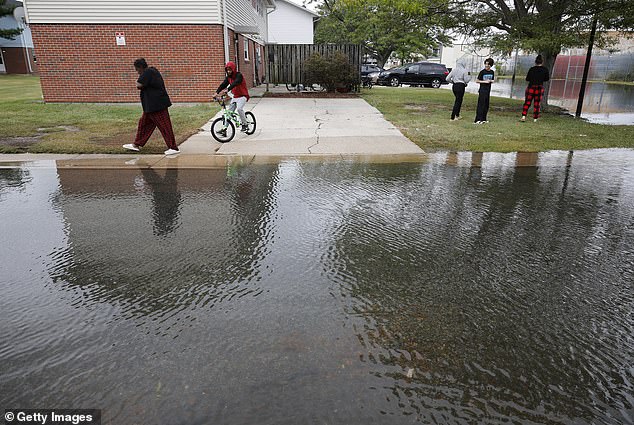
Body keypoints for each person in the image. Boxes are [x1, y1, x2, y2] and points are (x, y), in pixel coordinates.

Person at [123, 58, 180, 155]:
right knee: (143, 125)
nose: (137, 72)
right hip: (151, 107)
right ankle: (136, 145)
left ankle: (173, 148)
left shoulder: (148, 72)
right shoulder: (152, 72)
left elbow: (139, 84)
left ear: (140, 67)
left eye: (137, 70)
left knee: (165, 126)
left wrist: (138, 81)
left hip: (157, 106)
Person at [215, 61, 250, 133]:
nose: (229, 71)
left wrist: (228, 89)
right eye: (227, 70)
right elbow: (223, 85)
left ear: (233, 69)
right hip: (235, 96)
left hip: (243, 96)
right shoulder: (228, 78)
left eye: (230, 69)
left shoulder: (239, 75)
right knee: (229, 113)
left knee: (239, 109)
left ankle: (245, 125)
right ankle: (224, 129)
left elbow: (235, 83)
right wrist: (216, 92)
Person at [521, 55, 550, 122]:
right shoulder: (545, 69)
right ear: (542, 62)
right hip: (539, 88)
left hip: (531, 87)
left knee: (527, 102)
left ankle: (523, 116)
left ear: (535, 62)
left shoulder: (531, 69)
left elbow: (527, 79)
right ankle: (535, 118)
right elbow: (547, 79)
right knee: (537, 103)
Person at [474, 58, 495, 124]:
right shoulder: (482, 72)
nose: (486, 66)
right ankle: (477, 119)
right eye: (485, 64)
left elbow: (493, 80)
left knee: (486, 105)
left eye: (488, 65)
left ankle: (484, 119)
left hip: (488, 90)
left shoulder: (492, 72)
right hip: (482, 90)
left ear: (490, 65)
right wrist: (484, 82)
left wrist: (491, 81)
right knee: (481, 105)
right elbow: (477, 81)